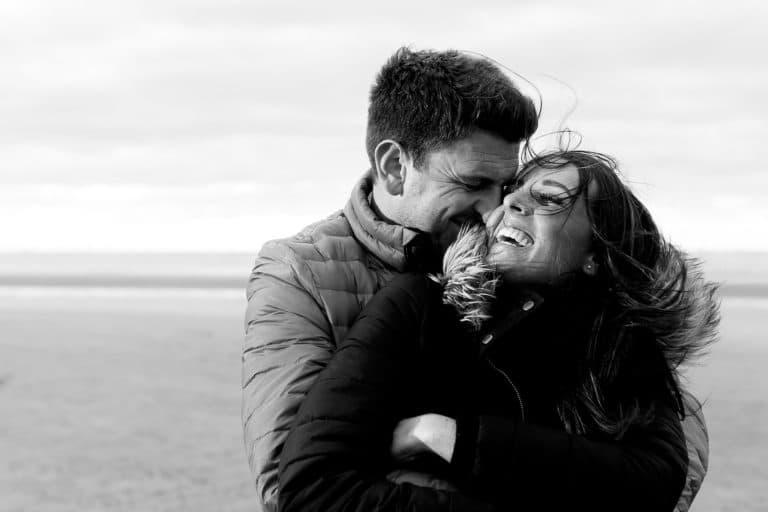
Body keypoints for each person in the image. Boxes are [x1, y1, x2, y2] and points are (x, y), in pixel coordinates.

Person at [277, 150, 720, 512]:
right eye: (512, 192)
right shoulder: (419, 304)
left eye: (548, 199)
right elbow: (311, 487)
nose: (510, 203)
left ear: (596, 254)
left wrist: (446, 436)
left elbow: (653, 482)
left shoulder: (621, 346)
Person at [242, 47, 539, 512]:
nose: (495, 211)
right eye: (473, 183)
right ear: (395, 167)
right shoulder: (299, 271)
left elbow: (655, 443)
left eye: (505, 186)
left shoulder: (522, 253)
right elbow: (293, 481)